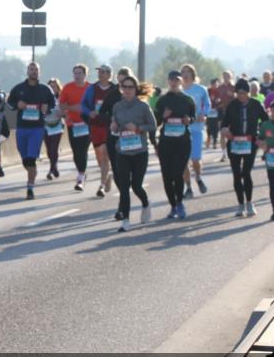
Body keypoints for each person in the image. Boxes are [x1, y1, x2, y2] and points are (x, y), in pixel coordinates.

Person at [110, 74, 156, 232]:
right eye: (125, 87)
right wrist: (114, 127)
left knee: (136, 186)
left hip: (139, 152)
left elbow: (153, 125)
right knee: (124, 187)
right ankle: (126, 220)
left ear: (136, 89)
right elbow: (115, 126)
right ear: (121, 89)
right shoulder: (117, 106)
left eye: (131, 87)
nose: (127, 90)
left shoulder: (143, 106)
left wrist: (137, 128)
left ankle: (146, 203)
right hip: (122, 151)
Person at [7, 61, 57, 200]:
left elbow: (53, 104)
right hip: (22, 128)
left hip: (37, 128)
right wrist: (17, 105)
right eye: (31, 69)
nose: (34, 71)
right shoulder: (19, 88)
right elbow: (9, 103)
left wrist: (48, 108)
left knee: (31, 159)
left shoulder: (45, 89)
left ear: (39, 73)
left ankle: (30, 188)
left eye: (36, 70)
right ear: (27, 71)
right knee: (25, 160)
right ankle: (32, 173)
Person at [221, 78, 269, 217]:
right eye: (238, 93)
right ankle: (240, 204)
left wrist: (260, 137)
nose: (240, 95)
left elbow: (265, 121)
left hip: (250, 142)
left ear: (248, 92)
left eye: (243, 93)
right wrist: (225, 130)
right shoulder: (232, 105)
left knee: (246, 172)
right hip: (234, 142)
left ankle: (249, 203)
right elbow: (224, 124)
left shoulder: (256, 104)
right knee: (236, 174)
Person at [154, 70, 195, 219]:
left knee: (177, 173)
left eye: (177, 80)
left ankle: (180, 203)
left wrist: (189, 120)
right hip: (166, 142)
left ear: (181, 81)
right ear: (168, 81)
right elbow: (155, 122)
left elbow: (193, 117)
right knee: (167, 176)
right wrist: (162, 116)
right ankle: (173, 206)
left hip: (182, 142)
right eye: (171, 80)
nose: (174, 82)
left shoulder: (188, 100)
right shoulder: (162, 100)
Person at [80, 64, 116, 198]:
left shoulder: (115, 89)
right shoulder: (92, 88)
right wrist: (89, 112)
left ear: (109, 75)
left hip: (109, 126)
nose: (100, 74)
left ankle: (101, 186)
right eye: (99, 72)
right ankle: (107, 176)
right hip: (95, 126)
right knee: (99, 157)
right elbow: (83, 105)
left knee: (105, 155)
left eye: (103, 72)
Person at [180, 64, 211, 198]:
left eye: (188, 72)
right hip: (181, 130)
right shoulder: (178, 90)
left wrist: (204, 114)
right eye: (183, 72)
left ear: (193, 74)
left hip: (196, 128)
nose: (186, 74)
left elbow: (207, 105)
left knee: (195, 159)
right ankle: (188, 187)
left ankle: (198, 177)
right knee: (183, 161)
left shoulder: (201, 89)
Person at [60, 64, 91, 191]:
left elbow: (95, 106)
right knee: (76, 151)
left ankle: (81, 176)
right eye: (75, 73)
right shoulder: (67, 87)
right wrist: (68, 113)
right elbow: (61, 105)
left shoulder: (90, 88)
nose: (77, 76)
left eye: (80, 73)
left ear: (85, 75)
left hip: (87, 124)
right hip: (72, 124)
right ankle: (81, 172)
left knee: (83, 150)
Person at [43, 77, 64, 180]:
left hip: (57, 125)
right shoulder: (43, 98)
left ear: (58, 88)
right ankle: (54, 167)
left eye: (54, 87)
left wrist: (62, 113)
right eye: (50, 87)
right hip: (46, 125)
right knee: (48, 149)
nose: (52, 88)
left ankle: (51, 170)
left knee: (54, 148)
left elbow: (65, 111)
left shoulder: (61, 99)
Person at [206, 79, 221, 150]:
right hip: (209, 111)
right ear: (211, 85)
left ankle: (215, 141)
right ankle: (209, 138)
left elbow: (222, 99)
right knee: (209, 126)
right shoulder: (207, 91)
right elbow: (204, 99)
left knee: (216, 127)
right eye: (213, 84)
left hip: (217, 111)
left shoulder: (219, 91)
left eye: (216, 84)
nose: (214, 86)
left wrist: (219, 101)